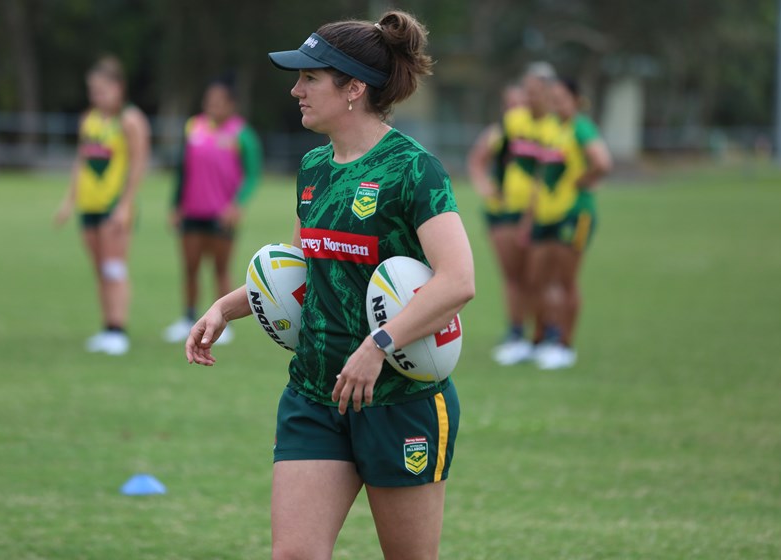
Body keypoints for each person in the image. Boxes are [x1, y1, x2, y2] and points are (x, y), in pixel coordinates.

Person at [186, 11, 474, 560]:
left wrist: (379, 345)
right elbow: (308, 268)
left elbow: (459, 281)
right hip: (315, 393)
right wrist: (224, 308)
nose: (296, 90)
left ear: (353, 89)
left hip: (399, 399)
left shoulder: (415, 171)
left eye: (310, 78)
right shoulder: (315, 167)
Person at [55, 55, 150, 355]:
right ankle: (106, 325)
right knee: (99, 268)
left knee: (113, 268)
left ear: (118, 87)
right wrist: (69, 201)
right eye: (93, 90)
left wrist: (126, 204)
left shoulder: (130, 120)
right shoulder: (89, 119)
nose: (97, 96)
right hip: (89, 204)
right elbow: (81, 162)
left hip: (113, 205)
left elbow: (138, 164)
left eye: (102, 90)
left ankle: (118, 329)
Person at [467, 62, 559, 366]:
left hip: (542, 215)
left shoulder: (557, 126)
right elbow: (481, 158)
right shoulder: (512, 122)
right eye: (527, 91)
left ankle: (545, 336)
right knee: (514, 276)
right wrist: (486, 187)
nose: (530, 98)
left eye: (536, 92)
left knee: (538, 278)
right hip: (504, 212)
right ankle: (516, 334)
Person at [163, 73, 263, 345]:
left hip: (222, 216)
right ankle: (188, 317)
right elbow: (183, 170)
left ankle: (223, 323)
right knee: (190, 268)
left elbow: (252, 175)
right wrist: (175, 204)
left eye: (218, 101)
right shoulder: (193, 127)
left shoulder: (242, 134)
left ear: (231, 104)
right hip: (192, 212)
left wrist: (237, 205)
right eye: (209, 100)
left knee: (220, 269)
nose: (212, 105)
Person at [523, 77, 612, 369]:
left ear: (575, 100)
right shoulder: (549, 128)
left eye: (562, 97)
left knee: (565, 281)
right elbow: (540, 174)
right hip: (545, 215)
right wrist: (529, 215)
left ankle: (564, 345)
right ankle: (541, 338)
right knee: (537, 278)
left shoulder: (580, 127)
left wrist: (583, 181)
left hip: (574, 214)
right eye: (553, 97)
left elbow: (602, 162)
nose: (556, 102)